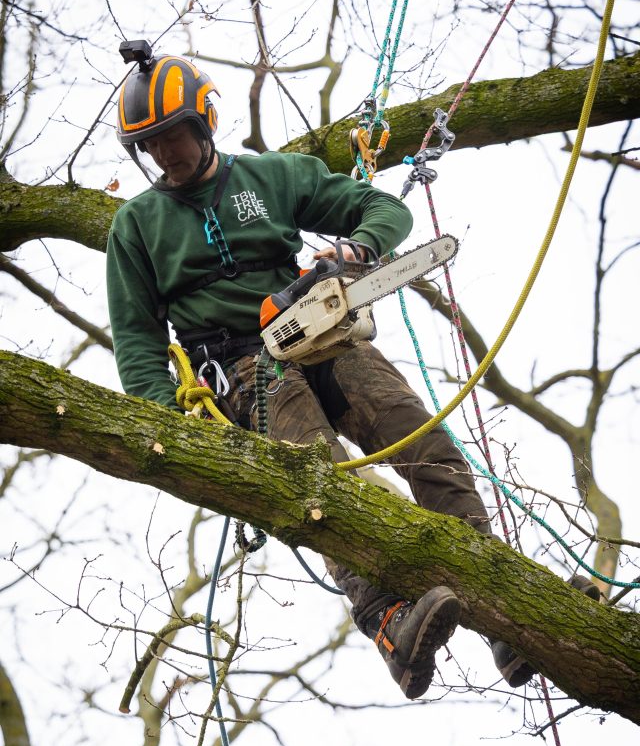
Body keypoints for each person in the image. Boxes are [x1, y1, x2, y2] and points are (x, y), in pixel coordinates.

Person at [107, 41, 536, 700]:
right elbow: (138, 343)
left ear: (202, 123)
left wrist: (358, 247)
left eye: (173, 135)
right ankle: (385, 618)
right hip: (237, 367)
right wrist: (172, 429)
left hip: (320, 333)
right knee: (320, 473)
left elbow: (385, 210)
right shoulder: (137, 225)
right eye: (153, 143)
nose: (167, 153)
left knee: (422, 439)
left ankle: (506, 610)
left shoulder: (268, 181)